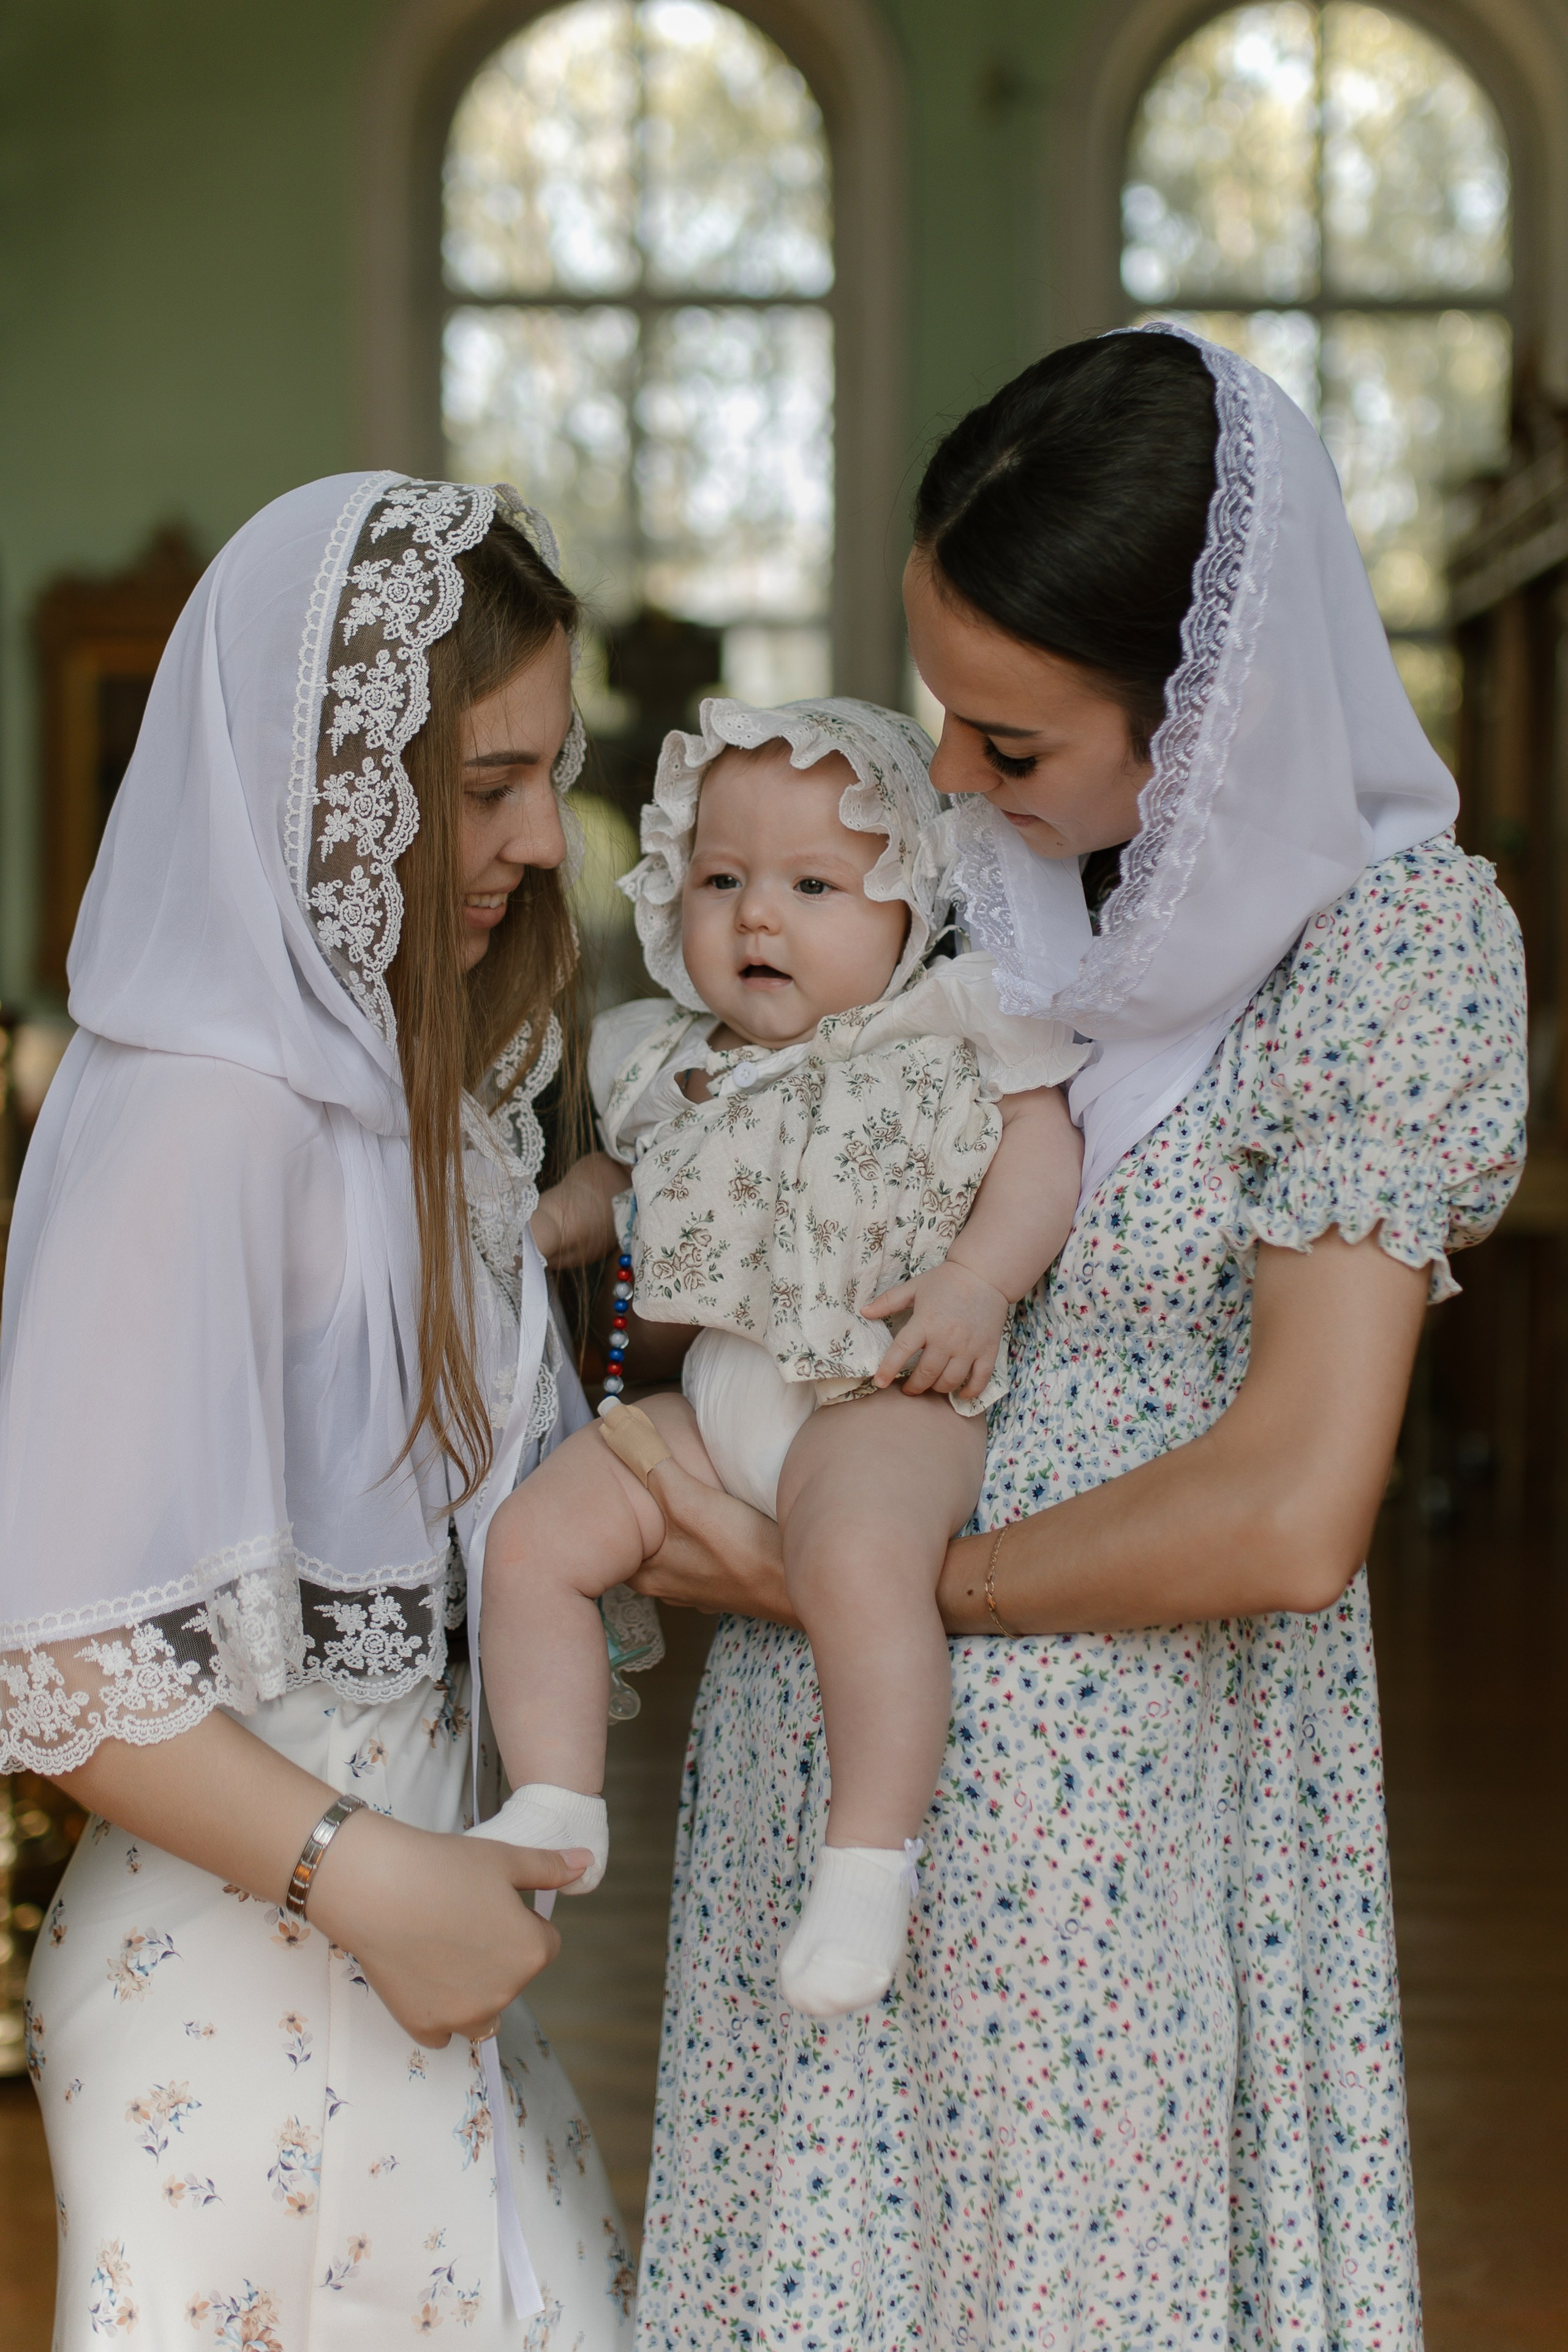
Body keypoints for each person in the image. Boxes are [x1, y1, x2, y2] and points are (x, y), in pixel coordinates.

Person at [619, 329, 1529, 2347]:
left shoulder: (1386, 948)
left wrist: (863, 1582)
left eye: (1010, 743)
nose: (948, 779)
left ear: (1214, 714)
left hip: (1119, 1825)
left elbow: (1294, 1510)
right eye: (947, 718)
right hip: (824, 1767)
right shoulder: (979, 911)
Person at [0, 475, 639, 2346]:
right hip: (241, 1964)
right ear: (325, 783)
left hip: (418, 1948)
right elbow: (50, 1655)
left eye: (551, 775)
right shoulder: (196, 1114)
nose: (540, 837)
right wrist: (367, 1882)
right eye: (486, 785)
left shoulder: (420, 1104)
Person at [473, 699, 1085, 2019]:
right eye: (721, 880)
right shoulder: (667, 1063)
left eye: (812, 884)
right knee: (530, 1541)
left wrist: (978, 1280)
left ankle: (868, 1860)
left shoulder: (948, 1029)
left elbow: (1040, 1150)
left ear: (906, 907)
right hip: (717, 1402)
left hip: (880, 1392)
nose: (757, 917)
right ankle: (554, 1797)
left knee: (861, 1562)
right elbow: (612, 1181)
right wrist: (537, 1225)